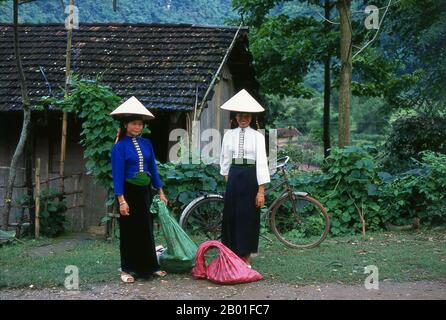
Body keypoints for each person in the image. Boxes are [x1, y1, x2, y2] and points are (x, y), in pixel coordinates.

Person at [110, 96, 169, 283]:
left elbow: (153, 169)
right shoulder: (119, 147)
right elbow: (117, 175)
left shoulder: (147, 144)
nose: (138, 127)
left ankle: (151, 266)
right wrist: (121, 200)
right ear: (126, 124)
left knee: (146, 229)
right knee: (129, 231)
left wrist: (160, 191)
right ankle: (127, 269)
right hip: (128, 192)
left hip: (145, 192)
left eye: (140, 124)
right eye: (134, 124)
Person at [219, 89, 271, 268]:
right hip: (233, 178)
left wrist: (261, 190)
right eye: (240, 115)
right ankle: (231, 257)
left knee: (248, 217)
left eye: (247, 116)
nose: (243, 119)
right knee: (232, 217)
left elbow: (262, 163)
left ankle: (246, 259)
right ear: (235, 117)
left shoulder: (257, 136)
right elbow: (225, 159)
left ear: (251, 118)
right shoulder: (228, 135)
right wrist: (228, 179)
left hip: (251, 178)